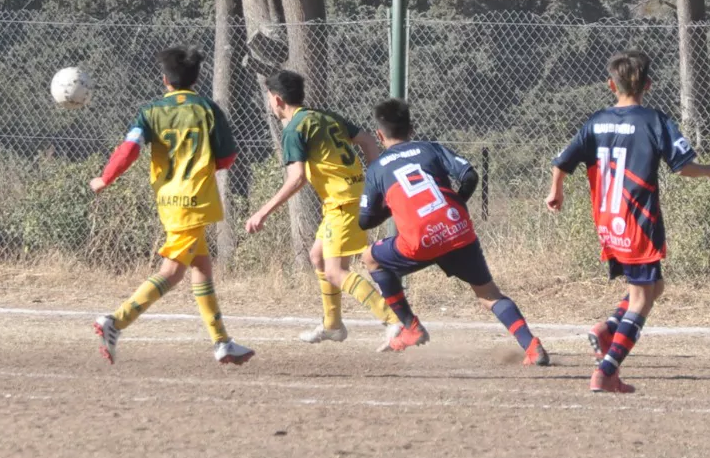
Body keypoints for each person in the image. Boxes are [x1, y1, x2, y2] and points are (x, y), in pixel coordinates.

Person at [546, 50, 710, 394]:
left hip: (607, 221)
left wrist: (557, 192)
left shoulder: (596, 121)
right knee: (642, 299)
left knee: (653, 288)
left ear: (611, 85)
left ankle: (609, 328)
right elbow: (683, 165)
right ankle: (607, 370)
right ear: (650, 85)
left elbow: (561, 162)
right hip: (638, 222)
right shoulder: (654, 120)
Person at [90, 47, 252, 365]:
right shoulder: (208, 109)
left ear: (165, 79)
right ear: (196, 79)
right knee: (173, 272)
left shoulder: (150, 111)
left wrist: (105, 178)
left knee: (201, 267)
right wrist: (202, 167)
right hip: (195, 200)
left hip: (169, 199)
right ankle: (116, 321)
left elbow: (129, 149)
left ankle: (222, 342)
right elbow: (228, 157)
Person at [358, 98, 549, 366]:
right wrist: (458, 203)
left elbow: (365, 220)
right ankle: (532, 346)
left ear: (379, 135)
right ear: (412, 129)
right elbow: (470, 175)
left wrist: (390, 207)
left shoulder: (378, 168)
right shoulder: (430, 148)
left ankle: (410, 326)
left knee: (371, 258)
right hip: (457, 230)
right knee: (489, 295)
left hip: (419, 240)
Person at [244, 71, 402, 346]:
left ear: (278, 99)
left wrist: (262, 211)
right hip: (350, 197)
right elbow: (366, 139)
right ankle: (332, 325)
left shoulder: (294, 129)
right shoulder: (325, 116)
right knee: (318, 256)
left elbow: (297, 179)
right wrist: (376, 177)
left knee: (335, 272)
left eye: (270, 98)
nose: (270, 103)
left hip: (342, 203)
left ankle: (394, 320)